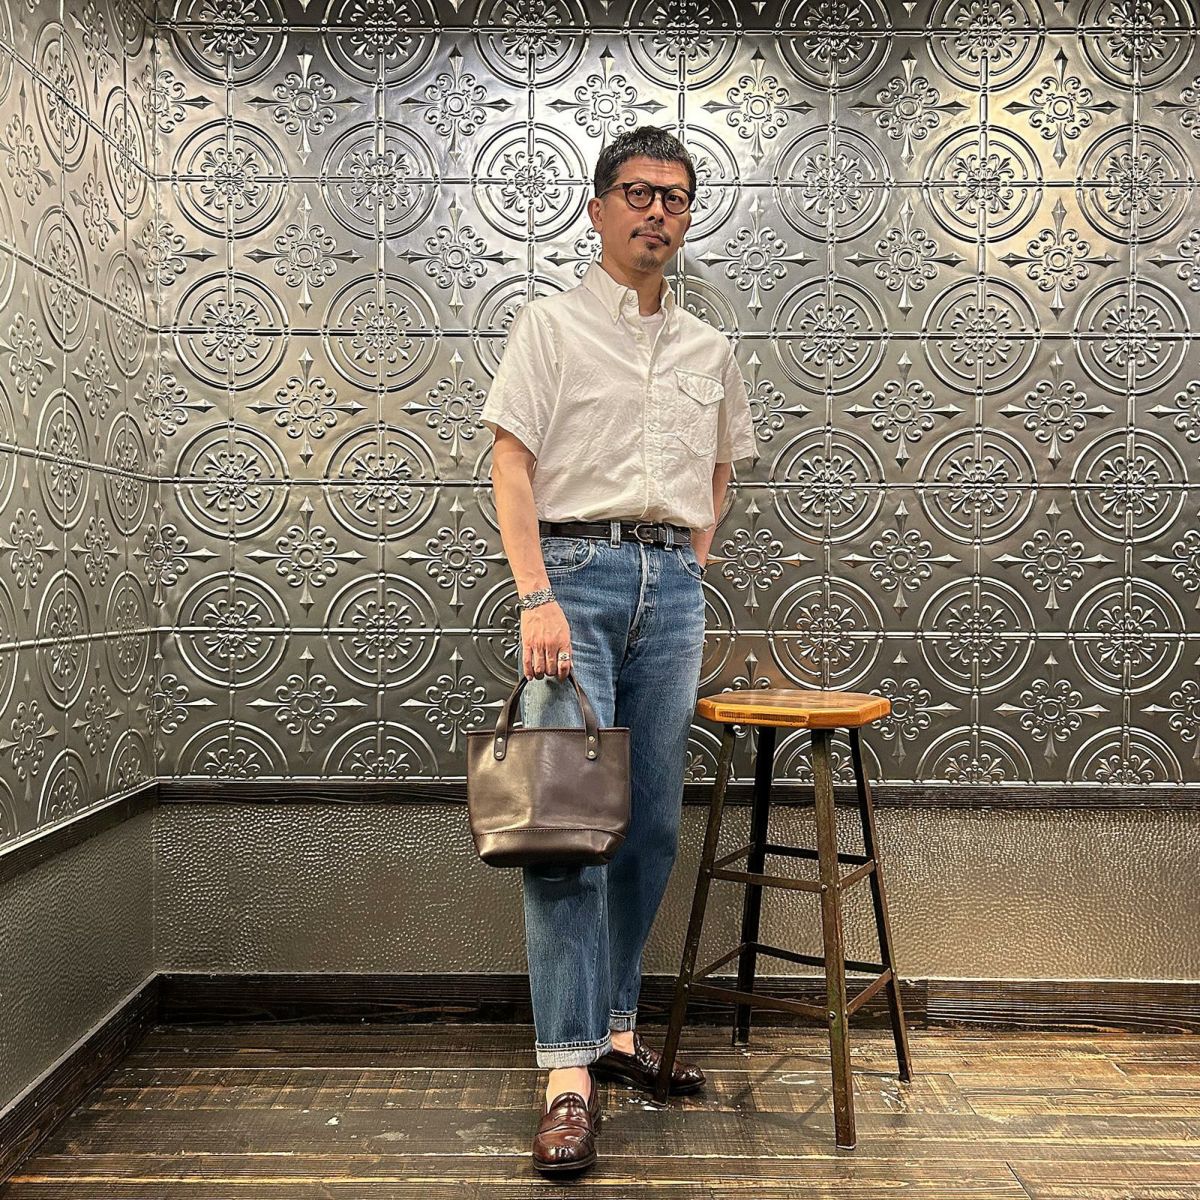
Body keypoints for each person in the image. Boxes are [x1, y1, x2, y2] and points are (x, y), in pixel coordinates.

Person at [481, 125, 758, 1176]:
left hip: (671, 590)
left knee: (647, 828)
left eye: (675, 198)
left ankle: (615, 1031)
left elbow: (719, 469)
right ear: (598, 209)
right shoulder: (549, 326)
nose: (657, 212)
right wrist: (536, 595)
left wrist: (688, 561)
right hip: (572, 585)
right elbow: (511, 464)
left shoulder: (709, 350)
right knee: (565, 827)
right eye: (638, 193)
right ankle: (566, 1075)